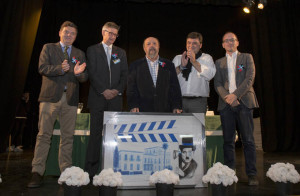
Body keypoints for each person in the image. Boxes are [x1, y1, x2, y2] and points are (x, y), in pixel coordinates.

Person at [27, 21, 88, 188]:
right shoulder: (48, 48)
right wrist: (60, 69)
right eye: (66, 32)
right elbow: (42, 68)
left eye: (72, 33)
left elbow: (84, 77)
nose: (69, 35)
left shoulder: (79, 53)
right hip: (49, 98)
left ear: (76, 36)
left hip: (70, 100)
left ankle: (66, 173)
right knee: (44, 135)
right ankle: (37, 172)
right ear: (60, 33)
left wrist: (78, 74)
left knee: (67, 137)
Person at [214, 32, 259, 186]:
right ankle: (229, 173)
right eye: (226, 41)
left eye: (232, 40)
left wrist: (235, 95)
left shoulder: (247, 57)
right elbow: (217, 84)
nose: (229, 43)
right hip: (226, 104)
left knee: (248, 140)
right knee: (228, 141)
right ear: (222, 44)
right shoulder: (218, 62)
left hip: (244, 102)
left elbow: (250, 78)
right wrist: (228, 97)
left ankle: (252, 174)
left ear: (237, 42)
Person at [85, 22, 128, 178]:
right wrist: (104, 90)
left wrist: (116, 90)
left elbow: (125, 74)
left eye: (115, 34)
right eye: (110, 33)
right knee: (95, 135)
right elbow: (92, 73)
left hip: (115, 99)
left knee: (114, 136)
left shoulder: (120, 52)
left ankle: (112, 170)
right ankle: (89, 172)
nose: (112, 36)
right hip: (98, 98)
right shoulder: (92, 50)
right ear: (103, 32)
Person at [127, 37, 182, 113]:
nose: (152, 46)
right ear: (144, 48)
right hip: (142, 110)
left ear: (159, 47)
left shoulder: (169, 65)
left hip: (165, 110)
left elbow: (174, 87)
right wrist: (133, 105)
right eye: (148, 44)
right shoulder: (135, 65)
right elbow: (131, 88)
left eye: (154, 44)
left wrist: (176, 106)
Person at [173, 32, 216, 113]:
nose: (191, 45)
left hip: (198, 102)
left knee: (198, 126)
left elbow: (210, 75)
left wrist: (194, 61)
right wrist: (181, 67)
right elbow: (170, 77)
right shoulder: (178, 58)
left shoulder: (207, 58)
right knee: (180, 126)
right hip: (180, 101)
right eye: (189, 43)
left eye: (194, 43)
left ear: (200, 45)